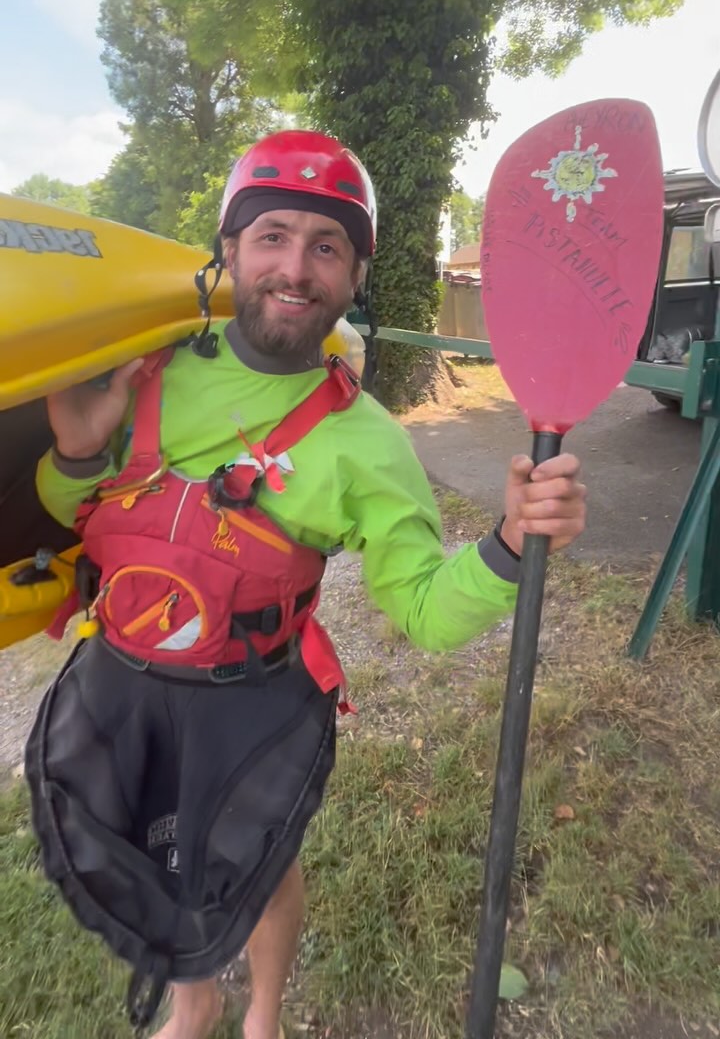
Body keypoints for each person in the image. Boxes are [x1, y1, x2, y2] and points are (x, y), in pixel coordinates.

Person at [25, 130, 586, 1039]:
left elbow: (423, 613)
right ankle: (194, 999)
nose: (295, 267)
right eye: (272, 235)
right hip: (119, 683)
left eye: (326, 246)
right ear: (231, 252)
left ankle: (267, 1018)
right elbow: (71, 506)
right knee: (136, 849)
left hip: (250, 701)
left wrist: (510, 547)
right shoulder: (149, 362)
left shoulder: (371, 445)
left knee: (256, 860)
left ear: (355, 274)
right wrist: (81, 449)